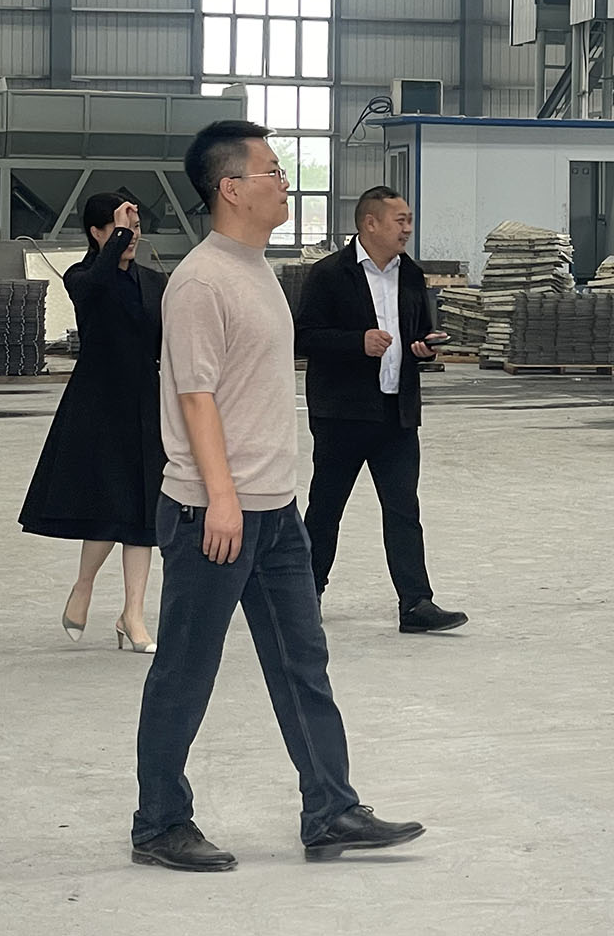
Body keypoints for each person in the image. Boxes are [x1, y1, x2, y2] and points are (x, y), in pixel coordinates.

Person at [131, 121, 424, 873]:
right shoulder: (201, 281)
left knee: (302, 661)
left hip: (273, 509)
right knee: (187, 669)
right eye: (271, 170)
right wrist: (222, 498)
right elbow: (195, 396)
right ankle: (159, 823)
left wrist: (260, 498)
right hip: (213, 511)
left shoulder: (256, 268)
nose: (284, 181)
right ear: (231, 188)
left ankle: (330, 809)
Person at [295, 187, 465, 634]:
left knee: (404, 510)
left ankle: (416, 604)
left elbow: (419, 331)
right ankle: (305, 596)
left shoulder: (411, 274)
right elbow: (305, 337)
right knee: (326, 509)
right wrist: (358, 342)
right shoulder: (329, 274)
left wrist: (424, 347)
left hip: (397, 414)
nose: (407, 228)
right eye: (399, 220)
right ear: (370, 223)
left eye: (409, 220)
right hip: (342, 415)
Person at [19, 193, 166, 654]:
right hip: (98, 402)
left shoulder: (154, 281)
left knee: (142, 512)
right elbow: (94, 288)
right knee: (109, 502)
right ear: (97, 233)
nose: (131, 237)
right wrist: (117, 238)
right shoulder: (81, 276)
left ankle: (133, 614)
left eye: (136, 229)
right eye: (120, 229)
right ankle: (83, 586)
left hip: (146, 400)